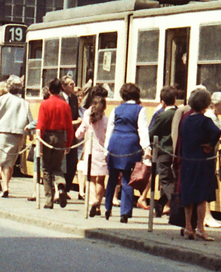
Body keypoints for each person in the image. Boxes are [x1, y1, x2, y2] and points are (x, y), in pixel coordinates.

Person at [175, 86, 221, 240]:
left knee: (188, 195)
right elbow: (217, 132)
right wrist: (210, 144)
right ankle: (200, 228)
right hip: (201, 162)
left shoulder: (186, 119)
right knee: (201, 196)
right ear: (206, 104)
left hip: (187, 161)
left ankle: (188, 226)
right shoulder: (205, 120)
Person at [103, 81, 148, 222]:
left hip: (115, 144)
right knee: (127, 179)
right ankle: (125, 212)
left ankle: (107, 207)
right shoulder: (140, 110)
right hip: (131, 145)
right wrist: (146, 147)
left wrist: (106, 149)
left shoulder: (116, 110)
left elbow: (110, 130)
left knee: (112, 177)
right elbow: (142, 129)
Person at [0, 79, 32, 197]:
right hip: (17, 134)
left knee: (3, 162)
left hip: (2, 133)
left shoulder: (0, 99)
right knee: (10, 162)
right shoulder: (24, 103)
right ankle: (6, 184)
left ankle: (5, 187)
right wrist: (31, 133)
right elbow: (30, 119)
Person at [35, 79, 76, 208]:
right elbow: (69, 126)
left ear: (48, 90)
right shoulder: (65, 105)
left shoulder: (45, 104)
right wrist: (68, 143)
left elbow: (40, 125)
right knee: (57, 167)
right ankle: (61, 185)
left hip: (47, 136)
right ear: (60, 90)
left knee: (46, 169)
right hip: (60, 136)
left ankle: (49, 200)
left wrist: (39, 144)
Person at [76, 85, 111, 216]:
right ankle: (98, 205)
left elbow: (79, 132)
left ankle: (93, 201)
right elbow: (109, 135)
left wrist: (76, 135)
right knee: (101, 180)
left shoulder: (87, 117)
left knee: (90, 179)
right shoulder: (106, 120)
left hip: (90, 152)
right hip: (102, 152)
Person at [149, 86, 181, 218]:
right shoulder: (180, 113)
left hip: (164, 151)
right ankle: (160, 205)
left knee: (166, 180)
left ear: (162, 101)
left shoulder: (163, 115)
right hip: (177, 152)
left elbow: (152, 133)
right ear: (174, 99)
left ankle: (177, 208)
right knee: (172, 178)